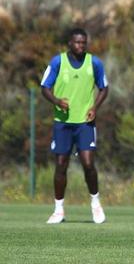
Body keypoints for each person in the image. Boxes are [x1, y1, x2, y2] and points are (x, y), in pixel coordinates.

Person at [40, 28, 109, 224]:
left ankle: (95, 204)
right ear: (69, 43)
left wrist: (95, 107)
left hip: (85, 123)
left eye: (83, 43)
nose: (80, 46)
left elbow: (104, 88)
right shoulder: (57, 62)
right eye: (77, 42)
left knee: (89, 164)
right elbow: (44, 87)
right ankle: (58, 210)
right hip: (62, 123)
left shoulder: (94, 63)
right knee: (61, 165)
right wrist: (56, 101)